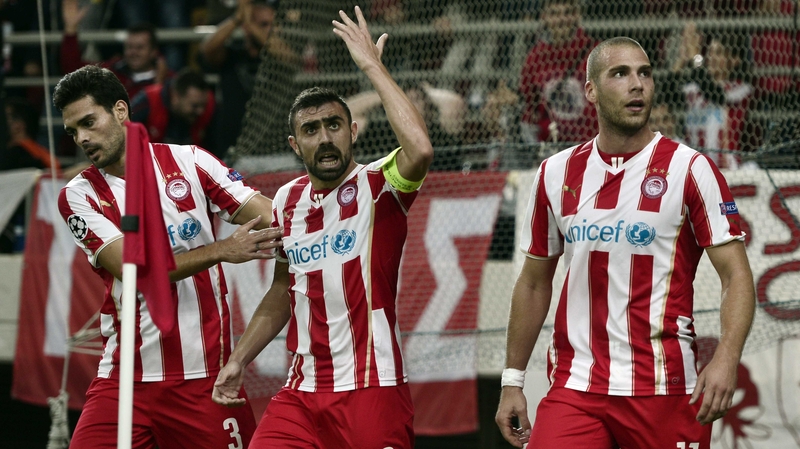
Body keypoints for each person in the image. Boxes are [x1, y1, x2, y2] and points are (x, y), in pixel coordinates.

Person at [495, 37, 755, 448]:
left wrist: (726, 356)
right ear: (591, 91)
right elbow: (532, 283)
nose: (637, 84)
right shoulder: (554, 172)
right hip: (575, 386)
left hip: (664, 386)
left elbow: (736, 275)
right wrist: (513, 380)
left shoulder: (691, 169)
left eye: (645, 73)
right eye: (620, 74)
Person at [211, 7, 432, 448]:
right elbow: (281, 291)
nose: (324, 137)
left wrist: (372, 66)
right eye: (310, 130)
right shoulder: (286, 201)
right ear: (295, 144)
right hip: (301, 392)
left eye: (333, 125)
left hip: (372, 386)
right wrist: (239, 358)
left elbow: (421, 149)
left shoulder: (380, 184)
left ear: (352, 131)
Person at [53, 64, 283, 448]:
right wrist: (223, 250)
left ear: (121, 112)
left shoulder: (191, 162)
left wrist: (317, 217)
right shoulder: (80, 196)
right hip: (125, 380)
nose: (82, 138)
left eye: (89, 122)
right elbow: (134, 268)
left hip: (206, 379)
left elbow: (268, 213)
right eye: (73, 131)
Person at [200, 0, 298, 160]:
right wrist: (237, 19)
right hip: (234, 151)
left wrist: (249, 23)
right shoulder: (232, 55)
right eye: (265, 24)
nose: (275, 30)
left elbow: (290, 59)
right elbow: (207, 49)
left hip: (277, 153)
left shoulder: (280, 55)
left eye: (275, 24)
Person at [669, 23, 753, 169]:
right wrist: (681, 61)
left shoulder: (740, 90)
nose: (712, 57)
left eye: (719, 52)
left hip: (724, 165)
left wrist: (695, 57)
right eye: (710, 52)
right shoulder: (694, 89)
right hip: (693, 165)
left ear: (734, 61)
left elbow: (715, 94)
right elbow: (665, 96)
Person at [519, 0, 598, 145]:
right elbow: (529, 105)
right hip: (549, 145)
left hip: (589, 143)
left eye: (567, 13)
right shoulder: (536, 57)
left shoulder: (595, 53)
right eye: (554, 14)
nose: (561, 19)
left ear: (577, 16)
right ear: (544, 17)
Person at [60, 0, 169, 101]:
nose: (133, 53)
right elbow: (73, 69)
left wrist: (158, 86)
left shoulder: (168, 81)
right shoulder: (112, 72)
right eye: (130, 47)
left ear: (154, 51)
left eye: (140, 48)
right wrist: (71, 29)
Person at [130, 67, 216, 150]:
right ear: (176, 96)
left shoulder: (209, 104)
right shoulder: (147, 101)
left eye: (203, 105)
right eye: (195, 106)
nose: (201, 111)